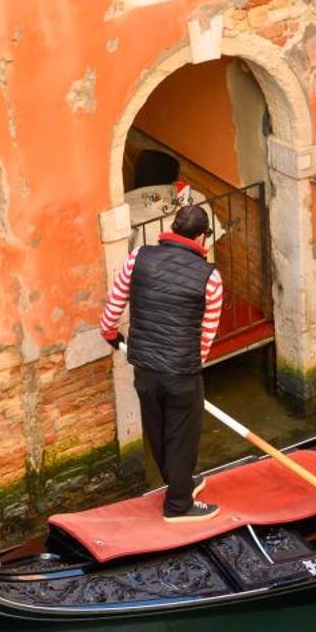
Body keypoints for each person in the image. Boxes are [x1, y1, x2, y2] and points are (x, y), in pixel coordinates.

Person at [100, 204, 225, 522]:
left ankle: (179, 484)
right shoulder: (210, 277)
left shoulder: (138, 257)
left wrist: (112, 337)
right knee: (182, 436)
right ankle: (178, 506)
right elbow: (206, 337)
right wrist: (190, 366)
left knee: (157, 429)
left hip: (144, 366)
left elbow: (113, 307)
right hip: (181, 371)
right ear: (201, 237)